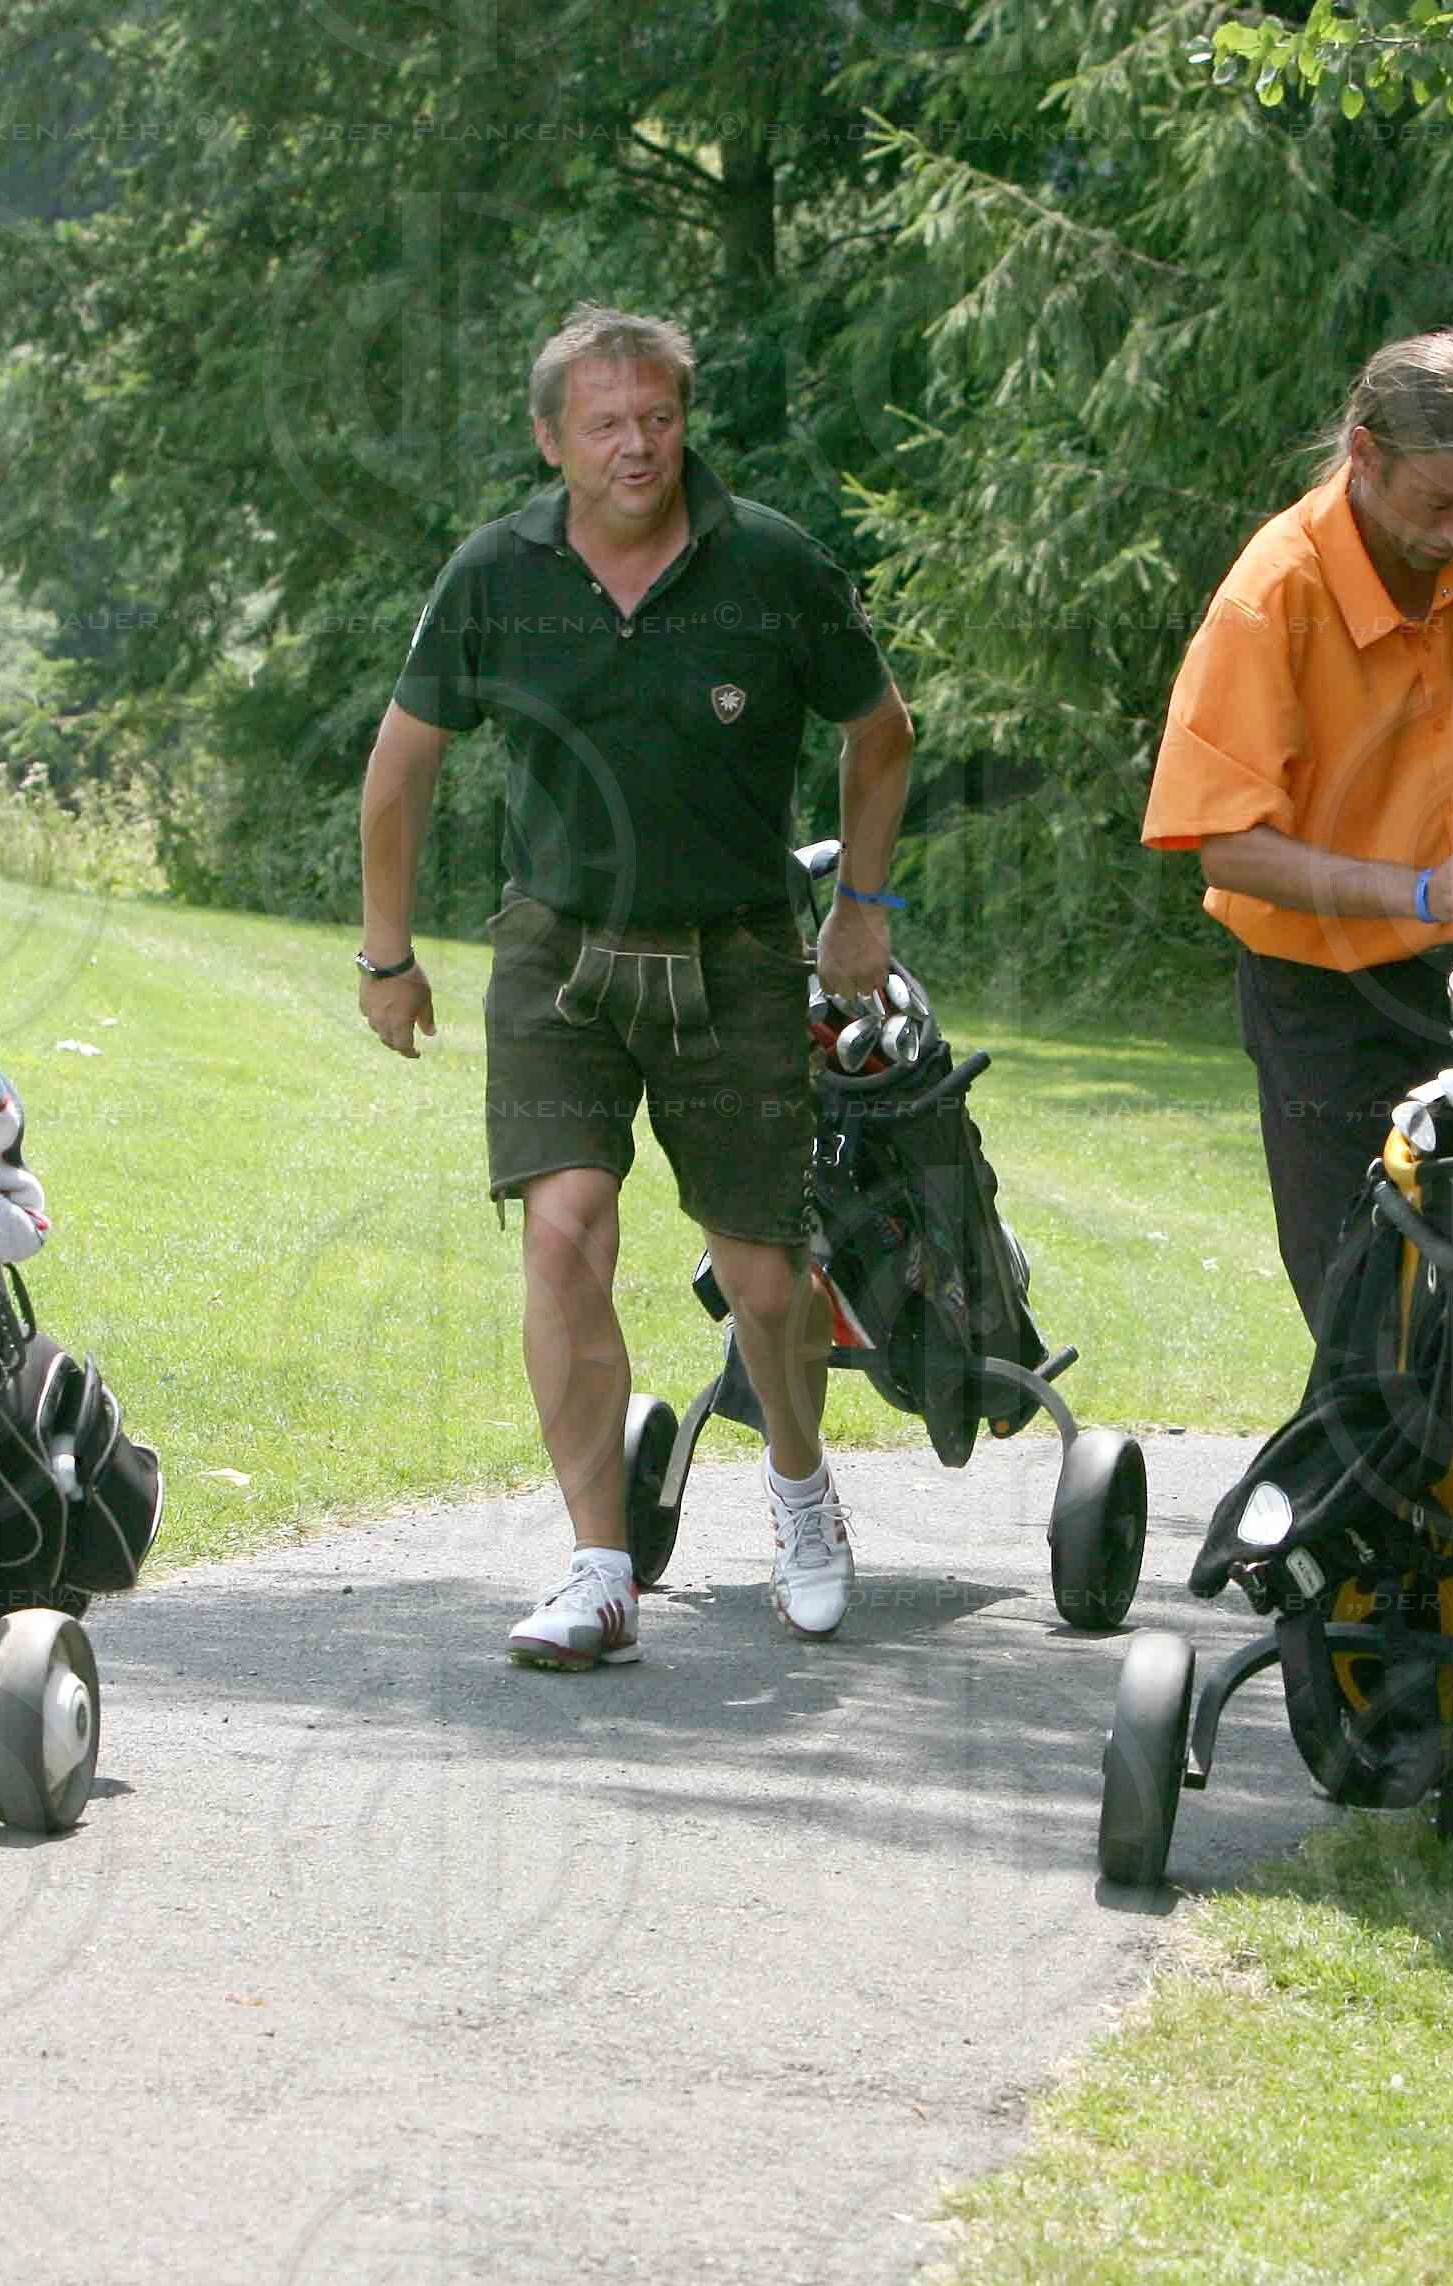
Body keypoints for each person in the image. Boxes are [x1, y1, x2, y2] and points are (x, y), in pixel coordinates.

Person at [356, 304, 914, 1670]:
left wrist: (861, 909)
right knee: (566, 1230)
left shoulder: (771, 565)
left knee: (765, 1281)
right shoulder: (496, 577)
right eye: (603, 423)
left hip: (734, 953)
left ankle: (799, 1492)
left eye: (657, 417)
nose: (637, 446)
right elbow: (402, 765)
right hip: (558, 955)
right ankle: (601, 1570)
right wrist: (388, 952)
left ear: (686, 420)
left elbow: (882, 731)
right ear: (551, 439)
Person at [1141, 329, 1453, 1335]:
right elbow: (1222, 841)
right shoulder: (1272, 594)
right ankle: (1373, 1486)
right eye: (1435, 505)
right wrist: (1418, 891)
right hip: (1321, 1001)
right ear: (1364, 456)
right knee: (1360, 1296)